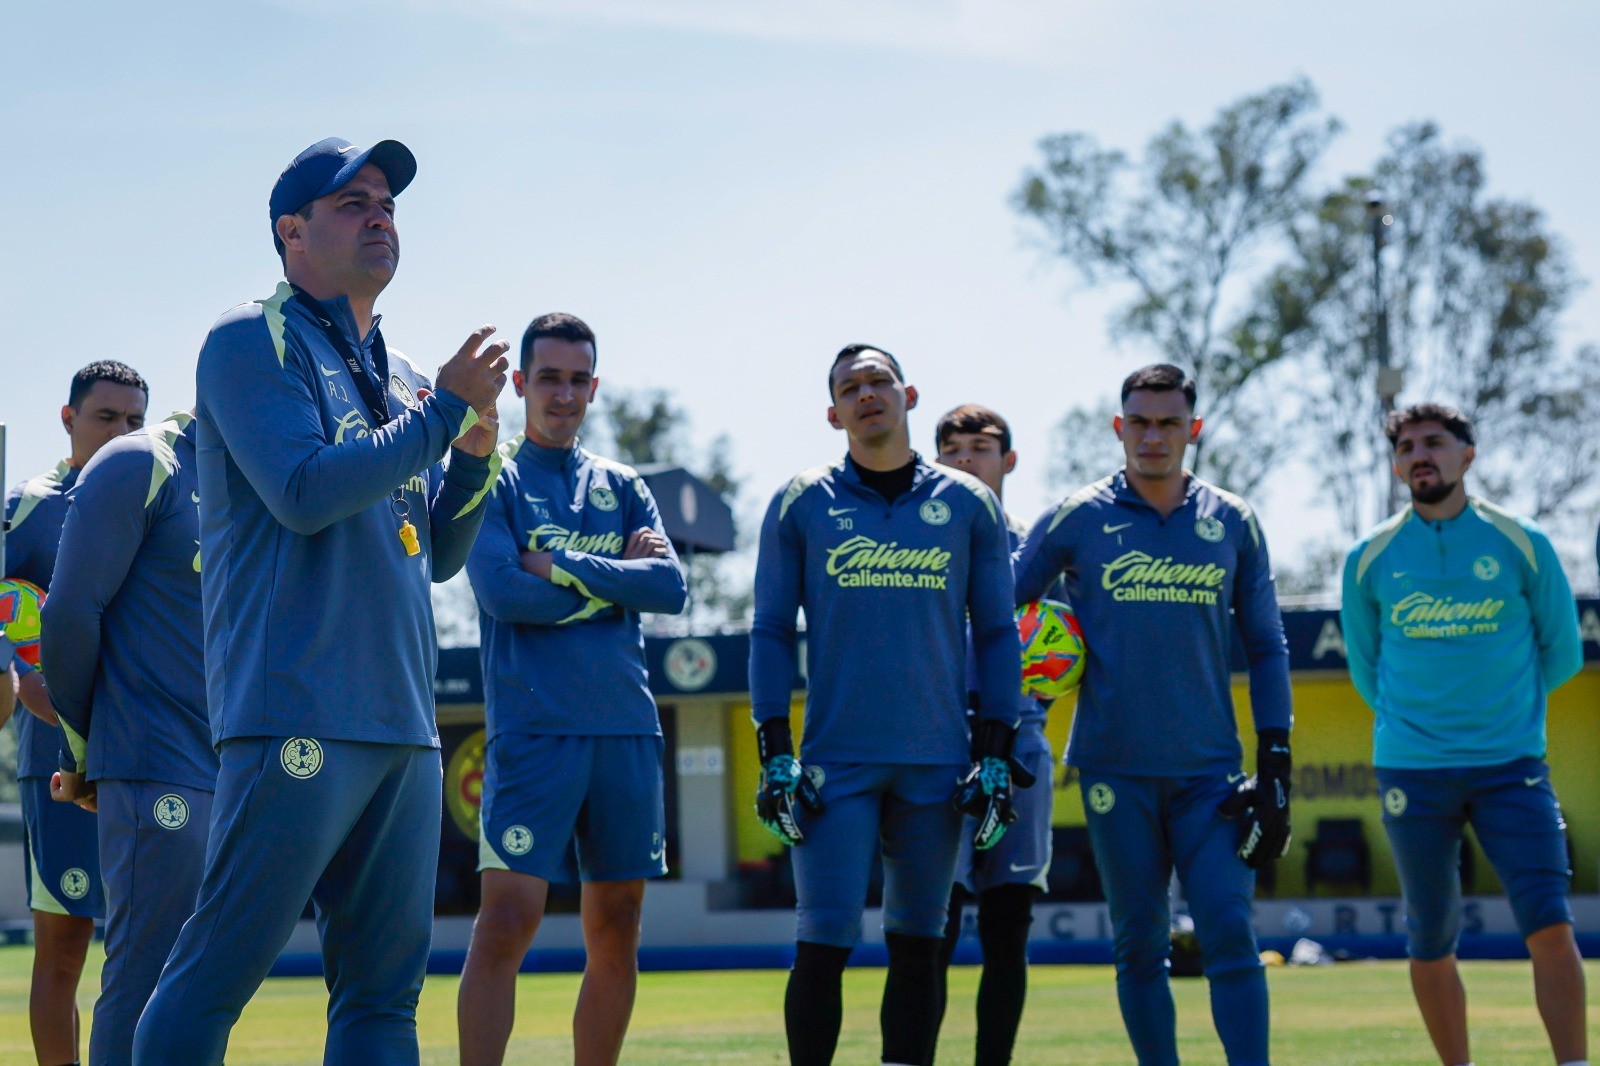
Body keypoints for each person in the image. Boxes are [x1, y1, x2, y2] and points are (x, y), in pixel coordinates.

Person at [132, 136, 508, 1064]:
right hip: (294, 706)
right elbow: (302, 493)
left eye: (387, 202)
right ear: (290, 232)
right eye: (353, 202)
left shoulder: (411, 372)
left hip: (403, 724)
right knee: (213, 977)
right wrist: (437, 419)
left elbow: (442, 558)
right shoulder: (246, 339)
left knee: (383, 1003)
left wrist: (467, 456)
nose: (380, 215)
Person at [749, 345, 1021, 1066]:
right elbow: (772, 630)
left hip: (937, 762)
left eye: (878, 381)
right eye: (850, 387)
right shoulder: (802, 501)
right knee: (823, 940)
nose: (866, 393)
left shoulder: (969, 505)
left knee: (918, 946)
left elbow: (997, 633)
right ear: (832, 412)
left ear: (909, 395)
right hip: (834, 763)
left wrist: (995, 750)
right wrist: (773, 748)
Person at [1013, 364, 1292, 1066]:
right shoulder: (1078, 517)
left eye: (1169, 423)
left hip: (1211, 777)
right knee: (1140, 944)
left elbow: (1266, 645)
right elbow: (995, 612)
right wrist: (1016, 700)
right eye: (1139, 421)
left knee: (1229, 928)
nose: (1153, 436)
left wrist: (1277, 761)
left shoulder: (1232, 520)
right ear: (1119, 428)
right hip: (1114, 770)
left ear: (1192, 430)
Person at [457, 313, 687, 1065]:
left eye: (578, 378)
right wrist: (616, 585)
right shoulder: (496, 482)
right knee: (507, 922)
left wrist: (558, 566)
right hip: (534, 731)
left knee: (618, 923)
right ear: (521, 383)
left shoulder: (623, 488)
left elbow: (671, 587)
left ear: (594, 386)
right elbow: (500, 594)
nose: (563, 393)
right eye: (548, 378)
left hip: (624, 730)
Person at [1341, 403, 1587, 1066]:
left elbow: (1561, 651)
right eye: (1407, 447)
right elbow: (1368, 668)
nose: (1420, 454)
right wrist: (1416, 727)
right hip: (1412, 772)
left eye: (1435, 442)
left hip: (1512, 767)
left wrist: (1504, 718)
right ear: (1396, 465)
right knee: (1431, 935)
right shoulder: (1369, 558)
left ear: (1467, 454)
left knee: (1549, 921)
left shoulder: (1521, 540)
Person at [41, 409, 213, 1066]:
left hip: (231, 766)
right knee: (144, 975)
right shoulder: (146, 461)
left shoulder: (255, 471)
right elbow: (66, 616)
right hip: (154, 762)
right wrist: (82, 749)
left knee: (197, 986)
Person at [6, 359, 148, 1066]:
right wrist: (21, 674)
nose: (122, 432)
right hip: (58, 760)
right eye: (105, 418)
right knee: (63, 950)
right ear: (68, 420)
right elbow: (9, 608)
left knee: (153, 946)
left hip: (155, 755)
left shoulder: (168, 495)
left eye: (133, 421)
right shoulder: (28, 505)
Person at [930, 404, 1052, 1066]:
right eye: (951, 449)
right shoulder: (916, 550)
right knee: (933, 930)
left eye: (980, 446)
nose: (966, 458)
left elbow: (1067, 649)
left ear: (1009, 460)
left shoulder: (1037, 551)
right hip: (939, 744)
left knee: (1009, 933)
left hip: (1023, 746)